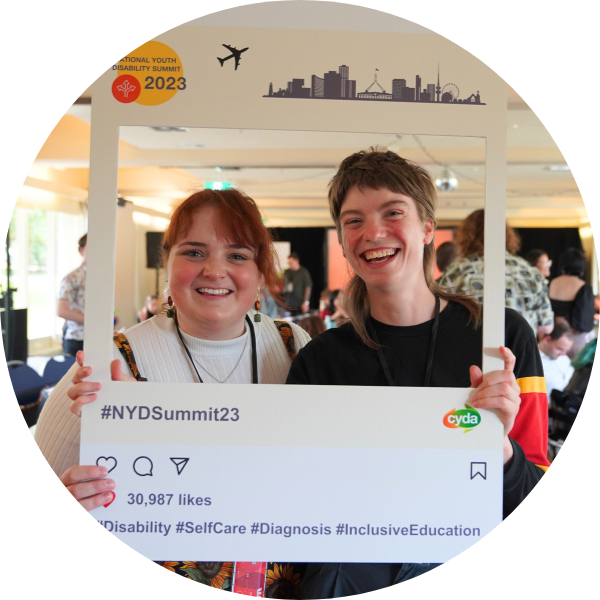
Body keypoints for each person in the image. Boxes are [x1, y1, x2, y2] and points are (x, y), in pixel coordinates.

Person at [286, 149, 548, 595]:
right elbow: (298, 497)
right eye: (353, 221)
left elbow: (532, 479)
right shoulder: (321, 359)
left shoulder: (500, 339)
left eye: (393, 212)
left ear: (427, 227)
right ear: (342, 240)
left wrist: (499, 446)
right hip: (359, 563)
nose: (372, 232)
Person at [35, 188, 311, 591]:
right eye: (194, 252)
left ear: (260, 270)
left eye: (237, 255)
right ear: (167, 263)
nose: (215, 271)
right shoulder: (112, 361)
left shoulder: (293, 345)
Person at [439, 209, 554, 338]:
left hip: (473, 352)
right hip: (521, 352)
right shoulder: (530, 271)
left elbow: (442, 319)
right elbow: (546, 327)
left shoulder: (457, 270)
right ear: (506, 235)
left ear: (467, 236)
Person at [548, 248, 596, 358]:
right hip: (574, 340)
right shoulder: (583, 287)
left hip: (553, 338)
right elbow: (585, 322)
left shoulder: (553, 283)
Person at [57, 233, 87, 355]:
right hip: (77, 340)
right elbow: (62, 311)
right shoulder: (73, 277)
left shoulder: (102, 278)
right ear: (81, 250)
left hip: (99, 338)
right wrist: (92, 320)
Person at [538, 321, 574, 404]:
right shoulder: (532, 361)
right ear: (547, 340)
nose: (563, 354)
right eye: (560, 349)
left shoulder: (564, 359)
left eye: (566, 350)